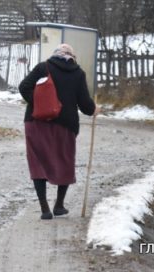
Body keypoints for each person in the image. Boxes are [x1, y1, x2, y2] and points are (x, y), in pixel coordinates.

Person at [18, 43, 96, 220]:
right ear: (72, 57)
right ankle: (59, 205)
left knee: (38, 163)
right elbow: (85, 104)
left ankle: (45, 209)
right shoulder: (78, 74)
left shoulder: (43, 68)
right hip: (65, 126)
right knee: (64, 162)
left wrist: (39, 103)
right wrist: (94, 109)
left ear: (55, 55)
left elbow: (24, 87)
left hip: (36, 123)